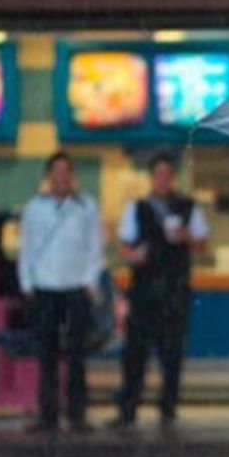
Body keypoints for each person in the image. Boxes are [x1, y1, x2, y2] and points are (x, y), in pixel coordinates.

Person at [109, 152, 209, 429]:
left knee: (172, 353)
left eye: (167, 175)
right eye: (158, 175)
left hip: (175, 291)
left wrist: (185, 237)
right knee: (134, 353)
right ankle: (128, 409)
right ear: (151, 178)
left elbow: (202, 245)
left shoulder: (189, 208)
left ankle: (168, 409)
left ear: (173, 178)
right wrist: (134, 255)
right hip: (143, 291)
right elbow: (124, 246)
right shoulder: (137, 208)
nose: (163, 180)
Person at [18, 151, 104, 435]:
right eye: (56, 172)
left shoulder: (86, 207)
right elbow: (26, 247)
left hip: (76, 288)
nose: (61, 178)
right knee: (47, 355)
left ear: (72, 176)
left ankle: (77, 415)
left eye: (66, 172)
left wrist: (90, 282)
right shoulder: (34, 208)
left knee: (77, 354)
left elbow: (94, 247)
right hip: (44, 288)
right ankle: (48, 416)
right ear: (48, 176)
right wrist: (27, 284)